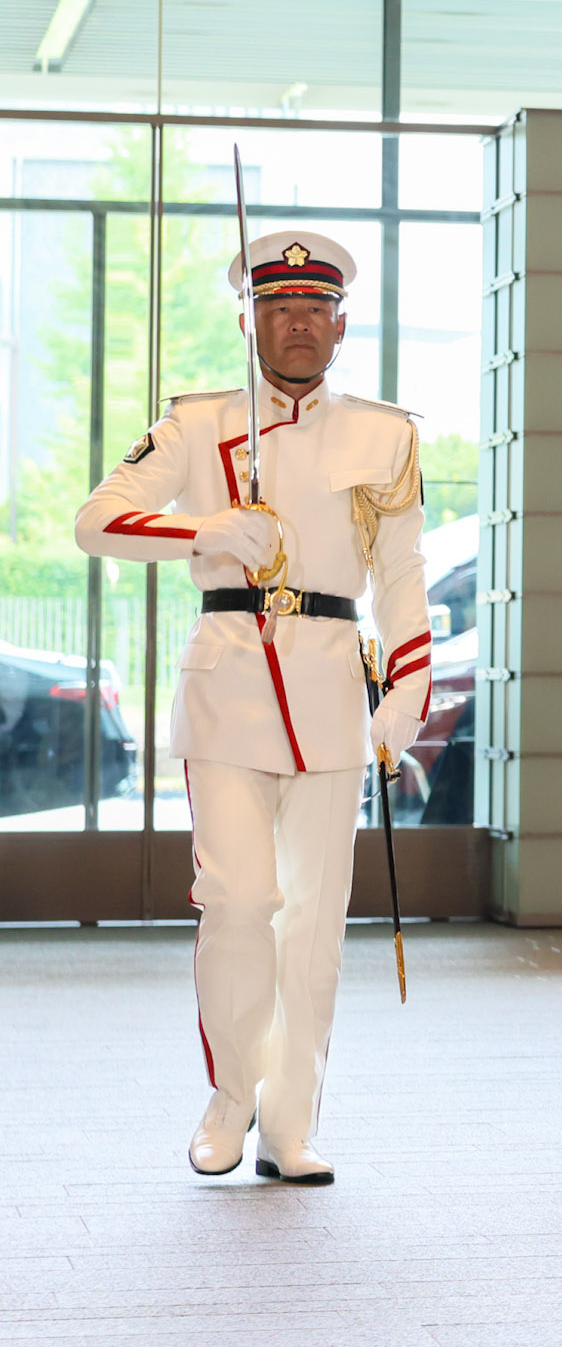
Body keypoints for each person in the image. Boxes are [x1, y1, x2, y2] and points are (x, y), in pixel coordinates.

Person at [77, 230, 429, 1186]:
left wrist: (406, 696)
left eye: (315, 308)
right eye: (279, 308)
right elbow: (97, 518)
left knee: (313, 920)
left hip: (329, 695)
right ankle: (229, 1099)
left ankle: (290, 1122)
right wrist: (209, 526)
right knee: (238, 900)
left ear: (342, 325)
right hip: (230, 686)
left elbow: (402, 576)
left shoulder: (383, 434)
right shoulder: (199, 425)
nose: (299, 323)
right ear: (251, 321)